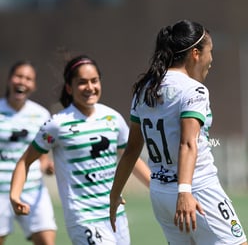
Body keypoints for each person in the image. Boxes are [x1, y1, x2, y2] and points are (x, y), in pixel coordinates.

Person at [109, 19, 248, 245]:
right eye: (210, 52)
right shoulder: (193, 90)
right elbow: (188, 143)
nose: (211, 60)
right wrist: (185, 192)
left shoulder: (145, 88)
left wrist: (114, 194)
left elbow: (132, 148)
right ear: (195, 53)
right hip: (197, 190)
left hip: (161, 195)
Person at [10, 55, 151, 245]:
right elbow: (25, 161)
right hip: (83, 218)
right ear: (69, 87)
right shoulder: (57, 124)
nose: (90, 87)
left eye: (94, 81)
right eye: (82, 82)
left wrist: (155, 187)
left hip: (115, 213)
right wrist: (15, 195)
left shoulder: (112, 118)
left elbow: (130, 158)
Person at [0, 60, 57, 245]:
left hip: (32, 189)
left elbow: (41, 154)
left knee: (47, 241)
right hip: (0, 190)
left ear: (33, 85)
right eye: (18, 76)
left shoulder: (41, 115)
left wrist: (46, 165)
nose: (22, 81)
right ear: (9, 80)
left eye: (28, 78)